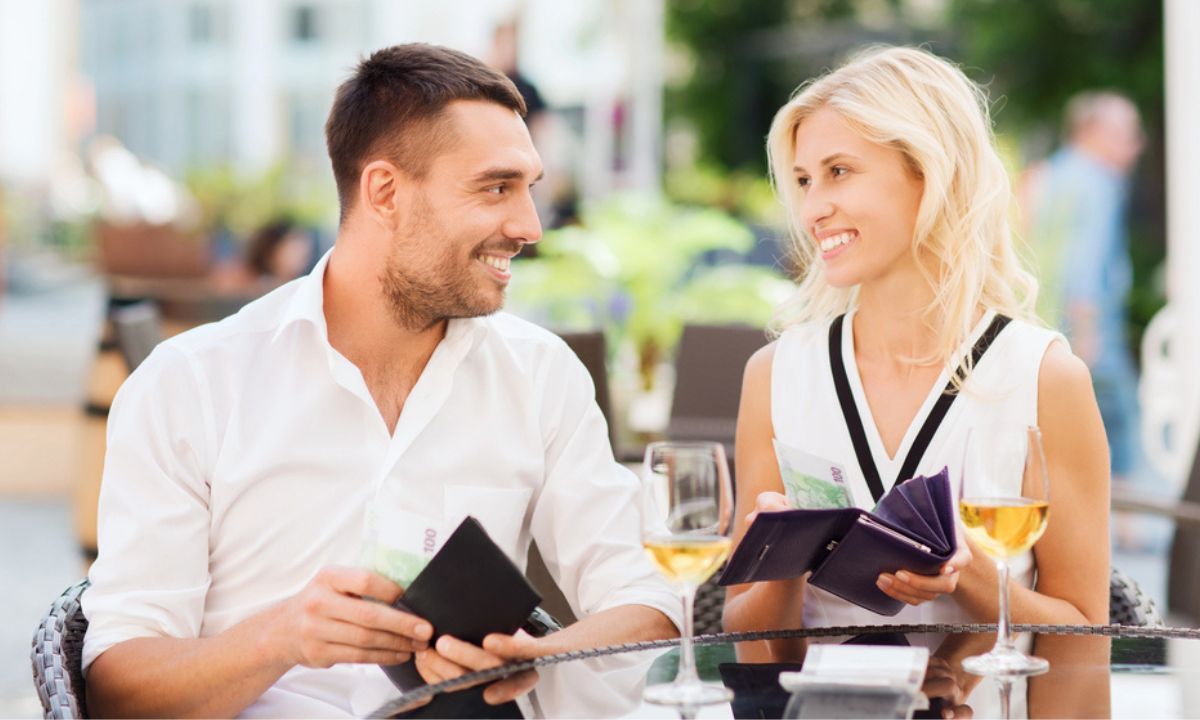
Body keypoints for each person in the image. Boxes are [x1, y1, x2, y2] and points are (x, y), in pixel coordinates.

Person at [81, 43, 679, 718]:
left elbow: (645, 602)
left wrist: (541, 659)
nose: (529, 226)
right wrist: (278, 638)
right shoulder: (189, 385)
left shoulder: (540, 376)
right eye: (495, 187)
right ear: (385, 192)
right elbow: (117, 687)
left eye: (529, 188)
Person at [722, 46, 1111, 662]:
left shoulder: (1043, 378)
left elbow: (1087, 637)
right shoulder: (775, 376)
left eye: (839, 171)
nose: (812, 207)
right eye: (803, 180)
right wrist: (785, 560)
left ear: (929, 174)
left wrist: (972, 575)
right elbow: (746, 638)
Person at [1027, 91, 1146, 486]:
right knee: (1119, 418)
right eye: (1129, 133)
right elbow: (1087, 257)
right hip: (1086, 324)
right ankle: (1128, 526)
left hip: (1041, 320)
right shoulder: (1097, 181)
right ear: (1093, 131)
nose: (1137, 144)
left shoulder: (1050, 173)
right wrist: (1088, 328)